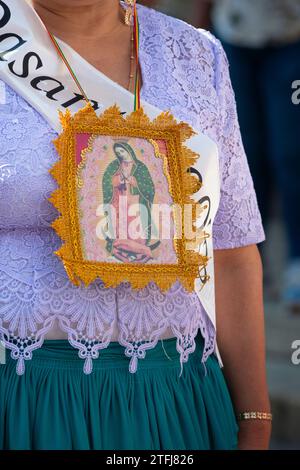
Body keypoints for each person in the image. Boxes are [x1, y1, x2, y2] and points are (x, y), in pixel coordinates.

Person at [0, 0, 271, 450]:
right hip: (21, 393)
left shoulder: (195, 54)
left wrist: (255, 419)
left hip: (174, 390)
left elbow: (230, 248)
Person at [197, 0, 300, 312]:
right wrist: (199, 33)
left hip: (290, 37)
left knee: (289, 154)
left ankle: (296, 265)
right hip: (234, 34)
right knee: (244, 154)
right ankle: (252, 266)